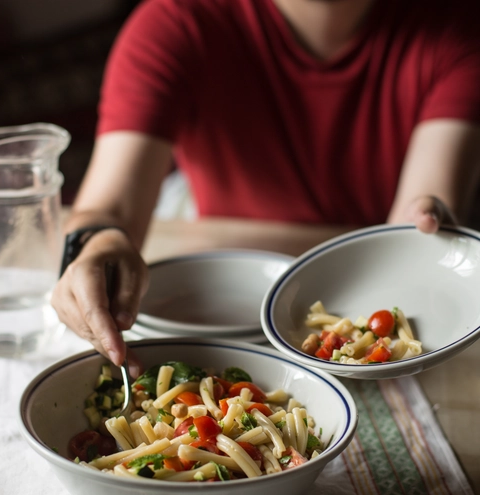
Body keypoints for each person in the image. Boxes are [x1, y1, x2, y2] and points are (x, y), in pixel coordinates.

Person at [51, 0, 480, 376]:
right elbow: (110, 210)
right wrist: (100, 243)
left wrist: (424, 228)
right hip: (215, 314)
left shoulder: (459, 27)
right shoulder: (175, 22)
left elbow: (412, 223)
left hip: (368, 306)